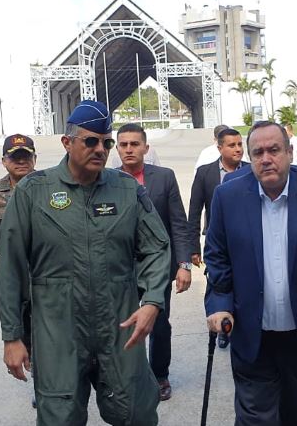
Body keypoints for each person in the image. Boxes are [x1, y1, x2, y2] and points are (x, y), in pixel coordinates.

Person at [0, 100, 170, 426]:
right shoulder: (34, 193)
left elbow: (157, 247)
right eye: (90, 141)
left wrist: (152, 301)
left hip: (119, 330)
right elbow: (11, 268)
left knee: (137, 412)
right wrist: (12, 336)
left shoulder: (126, 189)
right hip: (58, 333)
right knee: (59, 417)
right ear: (67, 142)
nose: (100, 149)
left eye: (106, 142)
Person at [204, 121, 297, 425]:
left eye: (274, 150)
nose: (266, 158)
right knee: (255, 416)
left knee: (296, 412)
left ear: (289, 152)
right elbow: (217, 256)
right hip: (249, 330)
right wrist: (220, 305)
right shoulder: (228, 196)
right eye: (257, 152)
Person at [116, 122, 193, 402]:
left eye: (134, 144)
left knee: (159, 325)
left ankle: (159, 375)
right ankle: (126, 376)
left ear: (146, 148)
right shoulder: (106, 179)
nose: (129, 149)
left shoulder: (164, 177)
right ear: (117, 148)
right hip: (121, 269)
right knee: (122, 324)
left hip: (158, 268)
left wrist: (184, 264)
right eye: (123, 144)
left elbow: (179, 224)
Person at [0, 133, 37, 407]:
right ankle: (42, 385)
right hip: (14, 280)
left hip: (47, 277)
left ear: (34, 159)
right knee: (24, 336)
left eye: (26, 156)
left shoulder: (51, 187)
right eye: (15, 157)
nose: (21, 162)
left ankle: (50, 388)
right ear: (4, 161)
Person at [188, 127, 248, 349]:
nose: (237, 149)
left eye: (240, 144)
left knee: (243, 285)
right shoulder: (205, 173)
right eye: (231, 145)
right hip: (217, 243)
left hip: (245, 243)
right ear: (219, 148)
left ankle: (241, 326)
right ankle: (222, 327)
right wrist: (193, 247)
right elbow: (194, 212)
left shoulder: (252, 171)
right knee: (217, 284)